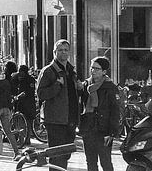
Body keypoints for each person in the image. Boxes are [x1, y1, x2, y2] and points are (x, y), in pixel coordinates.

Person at [37, 39, 82, 170]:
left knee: (66, 154)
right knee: (56, 155)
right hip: (55, 120)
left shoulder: (71, 71)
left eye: (66, 50)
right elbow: (41, 94)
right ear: (54, 52)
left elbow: (73, 94)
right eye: (60, 50)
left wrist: (79, 89)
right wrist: (57, 85)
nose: (63, 52)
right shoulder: (48, 71)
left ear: (69, 52)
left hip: (70, 118)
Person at [79, 57, 120, 171]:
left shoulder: (110, 87)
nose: (93, 71)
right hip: (88, 129)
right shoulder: (86, 85)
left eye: (97, 69)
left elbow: (115, 111)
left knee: (105, 162)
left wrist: (111, 133)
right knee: (90, 163)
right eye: (92, 68)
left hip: (103, 130)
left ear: (104, 72)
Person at [12, 64, 37, 141]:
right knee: (20, 121)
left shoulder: (30, 80)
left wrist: (20, 95)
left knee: (28, 122)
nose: (20, 73)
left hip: (28, 103)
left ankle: (27, 139)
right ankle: (21, 139)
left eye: (21, 71)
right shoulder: (16, 78)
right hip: (20, 104)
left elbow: (30, 91)